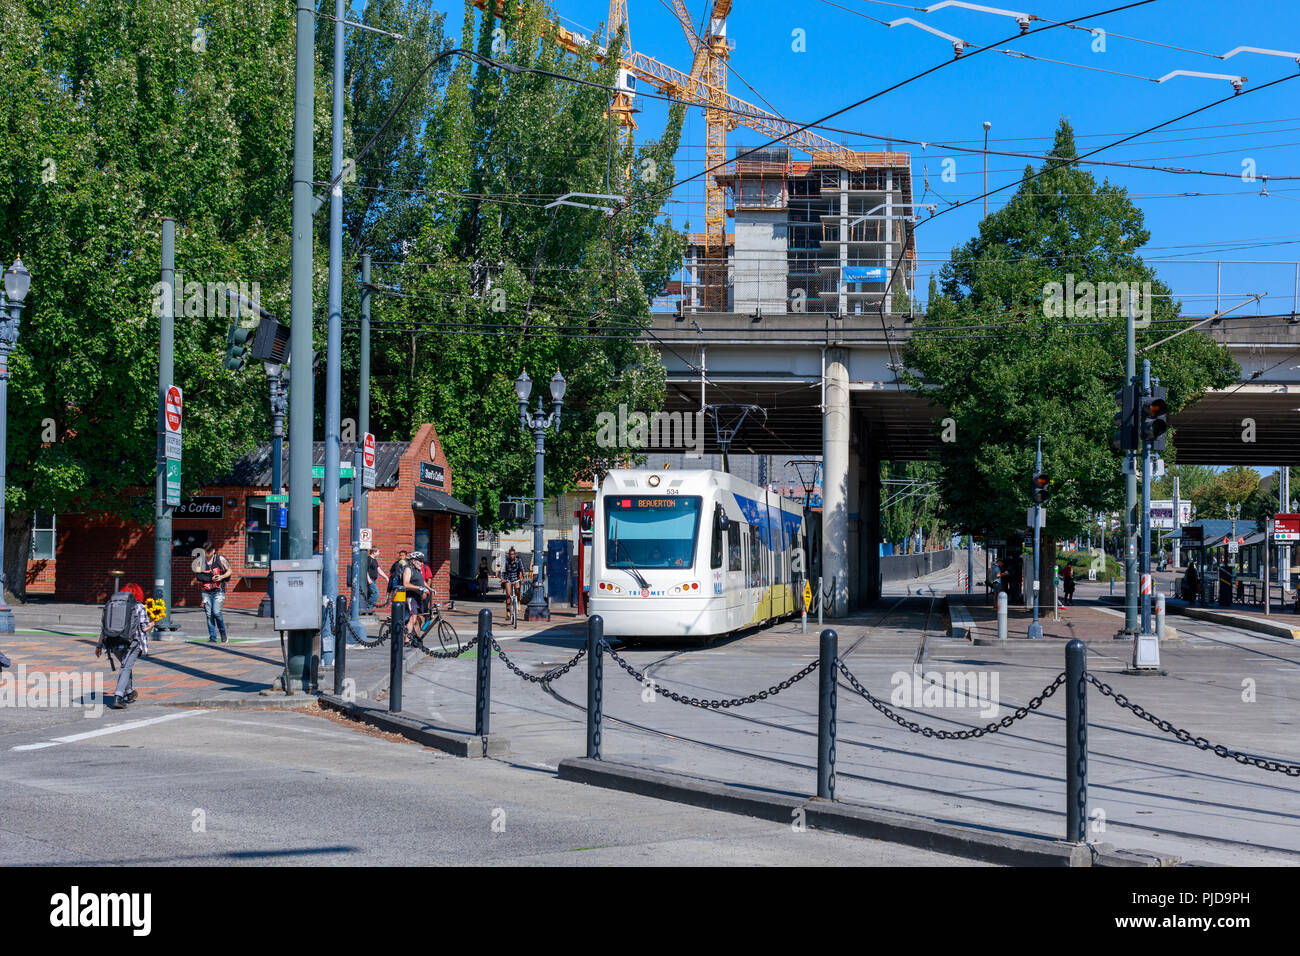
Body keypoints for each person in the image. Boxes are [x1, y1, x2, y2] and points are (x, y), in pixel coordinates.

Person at [96, 583, 154, 709]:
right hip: (132, 642)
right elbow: (144, 629)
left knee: (125, 666)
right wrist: (153, 622)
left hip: (113, 641)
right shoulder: (139, 606)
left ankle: (130, 692)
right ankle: (118, 696)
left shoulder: (111, 605)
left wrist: (99, 645)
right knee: (126, 668)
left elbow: (103, 628)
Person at [197, 540, 232, 643]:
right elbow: (198, 576)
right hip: (206, 591)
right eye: (205, 552)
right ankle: (212, 637)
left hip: (218, 591)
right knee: (209, 614)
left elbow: (229, 571)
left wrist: (221, 577)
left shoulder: (220, 559)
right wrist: (210, 578)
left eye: (209, 552)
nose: (207, 554)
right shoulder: (200, 561)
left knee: (216, 612)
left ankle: (223, 633)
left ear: (213, 551)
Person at [401, 552, 429, 641]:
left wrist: (430, 588)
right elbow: (405, 584)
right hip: (411, 597)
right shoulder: (408, 570)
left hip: (418, 597)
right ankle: (406, 640)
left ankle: (416, 638)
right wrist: (419, 588)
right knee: (412, 618)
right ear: (413, 561)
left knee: (419, 619)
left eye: (422, 561)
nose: (421, 563)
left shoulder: (418, 570)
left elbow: (422, 581)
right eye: (420, 561)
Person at [500, 547, 524, 620]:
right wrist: (502, 577)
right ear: (509, 555)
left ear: (515, 554)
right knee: (508, 595)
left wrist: (524, 577)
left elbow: (522, 569)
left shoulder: (518, 560)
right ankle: (508, 613)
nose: (511, 556)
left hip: (516, 578)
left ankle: (519, 601)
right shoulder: (506, 561)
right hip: (508, 578)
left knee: (517, 590)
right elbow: (502, 570)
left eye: (513, 554)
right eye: (510, 554)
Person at [365, 548, 387, 614]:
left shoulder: (375, 560)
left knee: (370, 594)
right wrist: (368, 578)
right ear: (374, 552)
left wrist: (385, 577)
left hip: (373, 580)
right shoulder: (368, 559)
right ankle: (369, 609)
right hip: (370, 579)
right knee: (375, 593)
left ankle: (367, 609)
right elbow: (364, 569)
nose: (379, 553)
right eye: (378, 552)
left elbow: (379, 569)